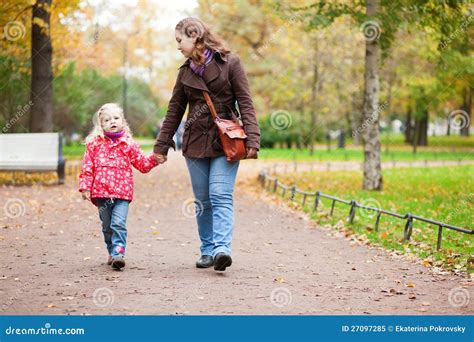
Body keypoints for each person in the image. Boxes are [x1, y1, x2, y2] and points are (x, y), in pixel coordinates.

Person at [153, 17, 260, 272]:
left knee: (220, 194)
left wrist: (253, 138)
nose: (177, 46)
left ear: (194, 36)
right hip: (195, 143)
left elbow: (245, 102)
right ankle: (207, 250)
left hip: (227, 141)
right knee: (203, 200)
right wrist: (161, 146)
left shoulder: (230, 62)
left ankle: (222, 249)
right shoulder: (185, 72)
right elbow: (174, 111)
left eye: (180, 40)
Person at [79, 103, 160, 270]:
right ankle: (111, 250)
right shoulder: (94, 144)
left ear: (123, 121)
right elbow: (87, 167)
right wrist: (85, 187)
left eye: (116, 118)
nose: (112, 122)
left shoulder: (128, 144)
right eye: (107, 120)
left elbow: (142, 164)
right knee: (107, 225)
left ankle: (118, 253)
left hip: (122, 193)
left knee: (118, 223)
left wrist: (155, 158)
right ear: (101, 125)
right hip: (101, 193)